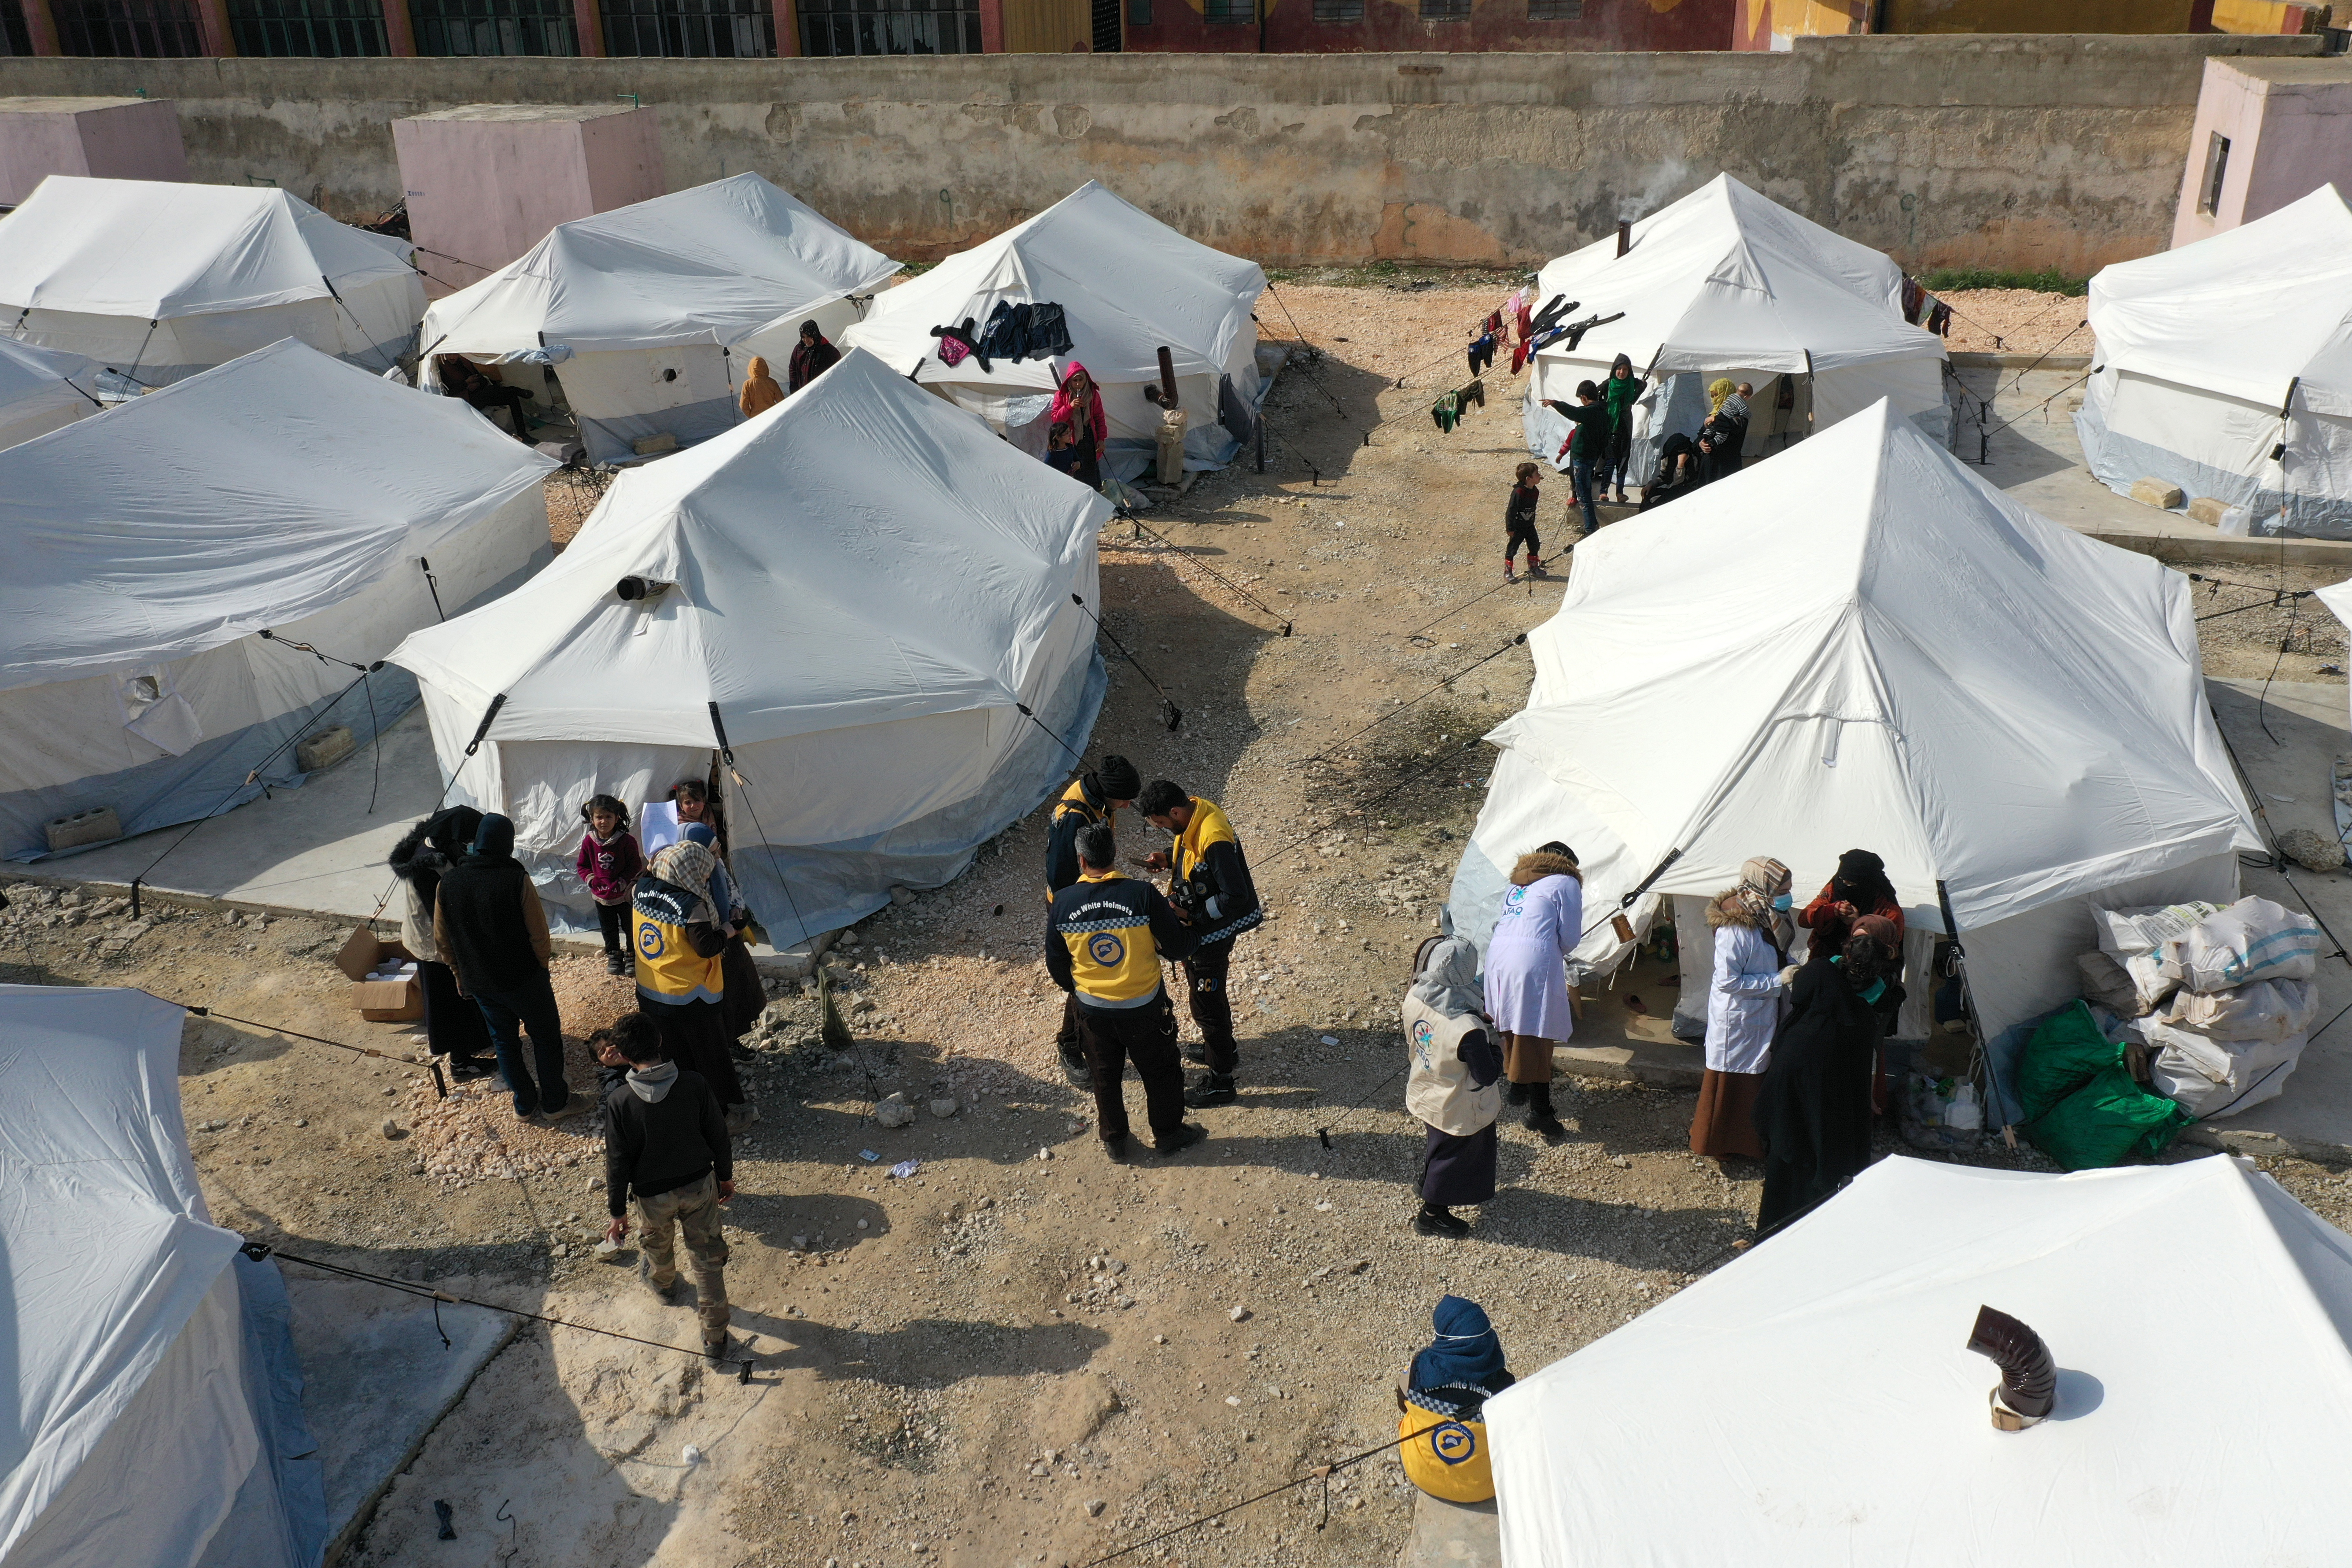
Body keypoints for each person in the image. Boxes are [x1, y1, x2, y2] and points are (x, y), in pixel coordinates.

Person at [1043, 823, 1205, 1159]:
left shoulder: (1062, 903)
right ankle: (1169, 1134)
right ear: (1114, 855)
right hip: (1145, 1007)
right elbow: (1176, 948)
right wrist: (1194, 931)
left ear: (1082, 861)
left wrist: (1081, 990)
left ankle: (1115, 1140)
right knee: (1161, 1071)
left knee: (1104, 1075)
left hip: (1093, 1011)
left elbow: (1057, 964)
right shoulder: (1142, 895)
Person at [599, 1013, 736, 1362]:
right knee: (707, 1259)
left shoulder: (620, 1101)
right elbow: (718, 1134)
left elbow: (617, 1161)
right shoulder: (693, 1083)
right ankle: (715, 1339)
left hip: (651, 1195)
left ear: (624, 1056)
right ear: (660, 1040)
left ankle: (663, 1285)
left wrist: (617, 1212)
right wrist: (724, 1175)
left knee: (657, 1244)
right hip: (698, 1185)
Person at [1753, 923, 1906, 1236]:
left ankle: (1772, 1235)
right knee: (1818, 1173)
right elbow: (1856, 1086)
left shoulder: (1819, 976)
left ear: (1847, 953)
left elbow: (1801, 990)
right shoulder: (1862, 1019)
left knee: (1785, 1165)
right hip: (1828, 1108)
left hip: (1791, 1077)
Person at [434, 814, 582, 1123]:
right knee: (544, 1037)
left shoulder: (448, 882)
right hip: (524, 978)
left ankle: (525, 1104)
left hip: (482, 982)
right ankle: (555, 1101)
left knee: (504, 1041)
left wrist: (460, 975)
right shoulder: (515, 878)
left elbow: (442, 938)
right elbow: (539, 934)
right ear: (507, 843)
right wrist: (541, 969)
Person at [1136, 779, 1263, 1110]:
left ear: (1175, 811)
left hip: (1213, 935)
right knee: (1206, 997)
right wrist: (1167, 858)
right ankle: (1222, 1050)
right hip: (1202, 933)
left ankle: (1222, 1080)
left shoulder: (1213, 837)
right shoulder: (1195, 812)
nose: (1165, 828)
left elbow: (1235, 896)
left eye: (1163, 824)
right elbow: (1193, 854)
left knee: (1207, 1006)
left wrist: (1192, 913)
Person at [631, 839, 754, 1131]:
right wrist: (731, 928)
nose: (706, 878)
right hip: (690, 995)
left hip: (651, 988)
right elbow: (707, 946)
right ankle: (720, 1115)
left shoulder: (641, 887)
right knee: (708, 1057)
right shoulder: (691, 904)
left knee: (673, 1054)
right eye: (704, 872)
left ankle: (679, 1110)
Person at [1044, 754, 1143, 1086]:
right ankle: (1070, 1045)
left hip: (1090, 895)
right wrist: (1089, 907)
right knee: (1081, 975)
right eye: (1126, 799)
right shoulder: (1075, 818)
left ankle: (1097, 1034)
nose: (1128, 806)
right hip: (1075, 905)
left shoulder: (1099, 799)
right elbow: (1060, 878)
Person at [1690, 857, 1792, 1163]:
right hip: (1739, 1019)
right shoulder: (1735, 929)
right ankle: (1719, 1145)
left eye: (1788, 888)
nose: (1788, 895)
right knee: (1730, 1088)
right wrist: (1777, 980)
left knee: (1754, 1082)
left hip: (1759, 1013)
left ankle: (1750, 1144)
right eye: (1783, 889)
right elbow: (1727, 981)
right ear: (1761, 888)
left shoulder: (1767, 915)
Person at [1403, 937, 1504, 1238]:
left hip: (1425, 1089)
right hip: (1458, 1104)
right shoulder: (1468, 1028)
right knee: (1455, 1159)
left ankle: (1426, 1180)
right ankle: (1431, 1214)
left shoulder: (1416, 996)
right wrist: (1496, 1043)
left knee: (1438, 1144)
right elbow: (1486, 1074)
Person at [1482, 841, 1583, 1140]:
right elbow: (1570, 936)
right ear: (1567, 864)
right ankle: (1540, 1110)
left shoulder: (1517, 885)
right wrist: (1553, 948)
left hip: (1498, 956)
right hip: (1532, 959)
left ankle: (1517, 1086)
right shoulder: (1566, 882)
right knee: (1537, 1033)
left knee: (1512, 1023)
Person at [388, 805, 494, 1079]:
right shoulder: (426, 867)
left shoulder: (440, 845)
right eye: (469, 839)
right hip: (433, 946)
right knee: (449, 1003)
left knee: (463, 998)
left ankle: (476, 1042)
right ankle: (460, 1062)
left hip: (439, 940)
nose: (470, 845)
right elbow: (442, 917)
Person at [680, 820, 766, 1047]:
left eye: (718, 849)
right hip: (703, 954)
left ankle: (734, 1041)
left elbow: (730, 891)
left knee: (737, 992)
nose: (718, 856)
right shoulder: (683, 882)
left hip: (728, 943)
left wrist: (734, 910)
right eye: (712, 852)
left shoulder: (715, 868)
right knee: (714, 1002)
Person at [576, 795, 645, 977]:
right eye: (599, 817)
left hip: (623, 894)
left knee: (630, 925)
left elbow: (635, 865)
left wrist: (623, 883)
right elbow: (582, 866)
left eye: (608, 817)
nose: (604, 822)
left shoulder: (626, 841)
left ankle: (632, 955)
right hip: (601, 895)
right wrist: (592, 880)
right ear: (592, 819)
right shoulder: (589, 842)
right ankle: (614, 954)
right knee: (608, 928)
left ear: (617, 818)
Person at [1545, 383, 1613, 536]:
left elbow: (1574, 413)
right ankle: (1591, 524)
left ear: (1584, 398)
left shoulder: (1591, 412)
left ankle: (1590, 529)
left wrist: (1557, 404)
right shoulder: (1603, 412)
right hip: (1590, 459)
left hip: (1582, 460)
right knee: (1585, 492)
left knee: (1584, 496)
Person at [437, 354, 533, 436]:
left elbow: (481, 379)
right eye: (449, 354)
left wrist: (478, 384)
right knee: (489, 391)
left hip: (480, 395)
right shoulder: (442, 369)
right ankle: (517, 390)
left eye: (455, 354)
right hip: (466, 402)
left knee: (512, 398)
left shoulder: (465, 363)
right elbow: (448, 392)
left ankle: (522, 434)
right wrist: (466, 384)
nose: (453, 357)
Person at [1051, 363, 1107, 490]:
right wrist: (1070, 407)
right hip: (1072, 441)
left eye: (1081, 380)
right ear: (1070, 381)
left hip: (1089, 439)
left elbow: (1099, 418)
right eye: (1075, 380)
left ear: (1086, 379)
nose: (1078, 384)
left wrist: (1102, 439)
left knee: (1091, 472)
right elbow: (1056, 419)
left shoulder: (1092, 395)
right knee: (1075, 472)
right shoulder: (1062, 396)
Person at [1603, 353, 1647, 505]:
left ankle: (1620, 492)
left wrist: (1634, 397)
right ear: (1614, 370)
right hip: (1611, 428)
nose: (1622, 372)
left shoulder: (1632, 384)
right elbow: (1594, 395)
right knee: (1610, 462)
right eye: (1619, 369)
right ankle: (1604, 492)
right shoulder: (1608, 385)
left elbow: (1643, 385)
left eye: (1626, 370)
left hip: (1626, 428)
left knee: (1623, 462)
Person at [1503, 461, 1544, 582]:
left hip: (1529, 526)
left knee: (1535, 545)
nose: (1540, 475)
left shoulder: (1535, 491)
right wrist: (1510, 528)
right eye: (1537, 474)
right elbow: (1511, 511)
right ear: (1529, 479)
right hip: (1518, 527)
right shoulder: (1519, 493)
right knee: (1512, 549)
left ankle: (1533, 568)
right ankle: (1508, 572)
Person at [786, 321, 841, 393]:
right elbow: (793, 369)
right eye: (803, 337)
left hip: (822, 393)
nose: (806, 340)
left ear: (815, 335)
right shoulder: (800, 349)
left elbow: (837, 374)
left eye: (809, 336)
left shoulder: (829, 352)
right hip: (802, 393)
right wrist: (794, 390)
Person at [738, 354, 785, 418]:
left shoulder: (748, 384)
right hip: (772, 414)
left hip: (756, 417)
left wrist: (751, 415)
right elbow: (782, 401)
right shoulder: (772, 382)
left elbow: (743, 405)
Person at [1045, 419, 1089, 483]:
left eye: (1070, 432)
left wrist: (1079, 463)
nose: (1070, 435)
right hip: (1058, 482)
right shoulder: (1053, 453)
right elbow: (1046, 469)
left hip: (1070, 480)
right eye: (1067, 433)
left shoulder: (1070, 448)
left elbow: (1078, 459)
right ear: (1058, 437)